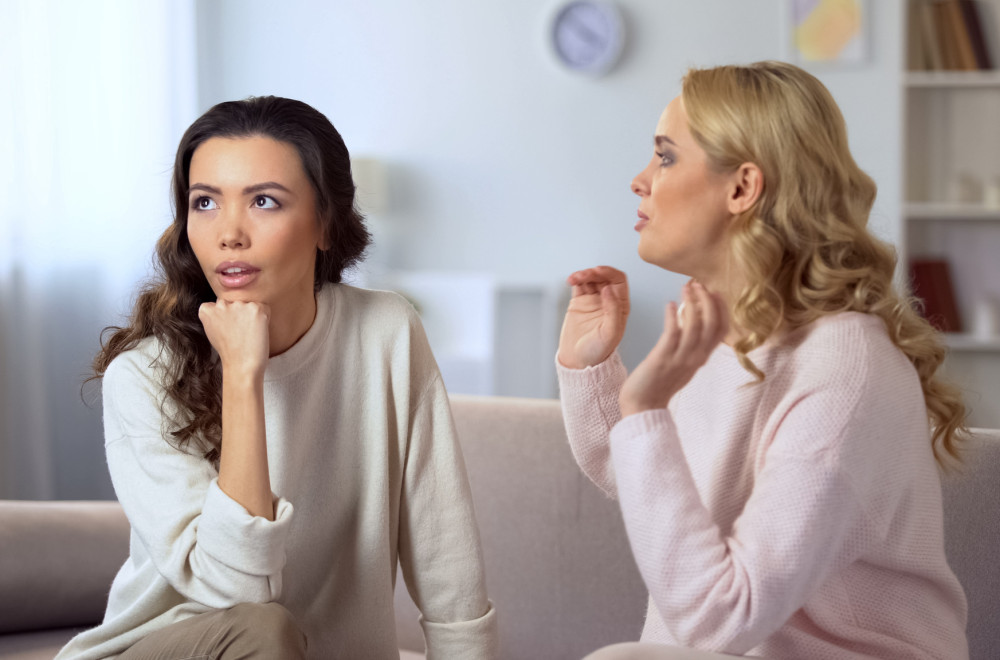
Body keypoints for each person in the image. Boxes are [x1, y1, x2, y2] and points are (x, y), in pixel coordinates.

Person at [57, 96, 498, 660]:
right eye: (205, 202)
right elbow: (236, 593)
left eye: (263, 201)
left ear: (326, 224)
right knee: (264, 629)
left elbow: (443, 541)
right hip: (169, 648)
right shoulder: (144, 374)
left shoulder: (386, 330)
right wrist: (244, 375)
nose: (229, 233)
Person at [556, 61, 968, 659]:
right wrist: (591, 369)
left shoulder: (845, 371)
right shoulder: (725, 330)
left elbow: (725, 618)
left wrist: (646, 407)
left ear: (742, 188)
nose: (639, 180)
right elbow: (652, 484)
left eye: (665, 157)